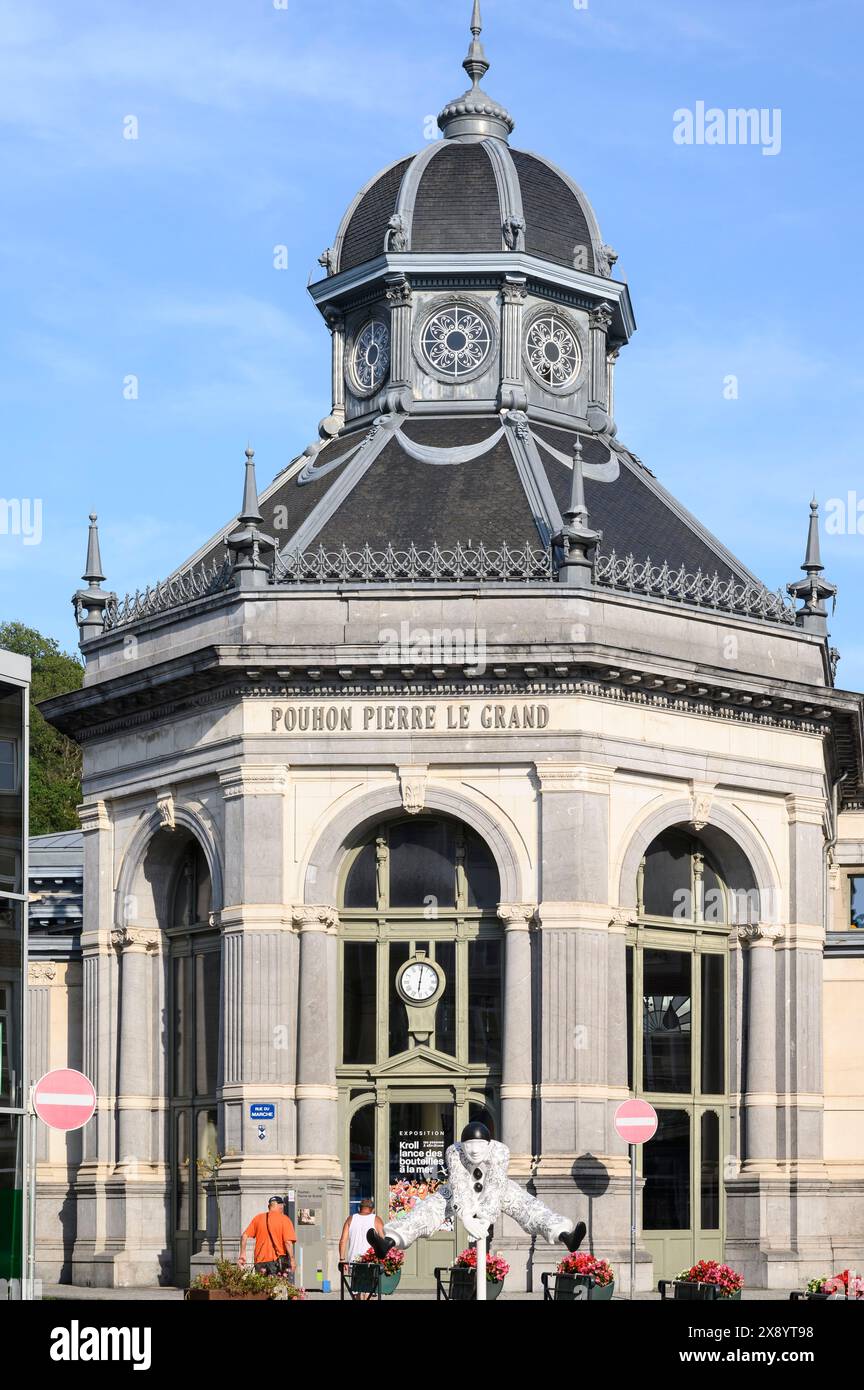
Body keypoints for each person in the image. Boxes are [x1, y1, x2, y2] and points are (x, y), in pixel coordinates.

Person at [368, 1122, 586, 1258]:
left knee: (528, 1207)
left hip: (497, 1191)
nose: (473, 1150)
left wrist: (486, 1216)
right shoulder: (454, 1151)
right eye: (469, 1145)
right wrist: (466, 1216)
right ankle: (388, 1242)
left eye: (479, 1145)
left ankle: (565, 1235)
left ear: (488, 1145)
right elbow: (459, 1182)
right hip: (461, 1192)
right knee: (429, 1209)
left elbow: (497, 1183)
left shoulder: (500, 1151)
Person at [239, 1195, 297, 1277]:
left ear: (269, 1206)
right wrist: (292, 1259)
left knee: (261, 1287)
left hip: (259, 1261)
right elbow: (288, 1242)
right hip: (276, 1262)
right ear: (280, 1206)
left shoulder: (258, 1218)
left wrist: (243, 1254)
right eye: (282, 1206)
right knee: (276, 1288)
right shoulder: (285, 1220)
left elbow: (244, 1236)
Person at [340, 1198, 384, 1267]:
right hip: (371, 1262)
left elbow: (343, 1241)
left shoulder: (350, 1219)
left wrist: (342, 1260)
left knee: (353, 1278)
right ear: (373, 1210)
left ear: (359, 1208)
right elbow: (383, 1240)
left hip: (353, 1261)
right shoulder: (376, 1219)